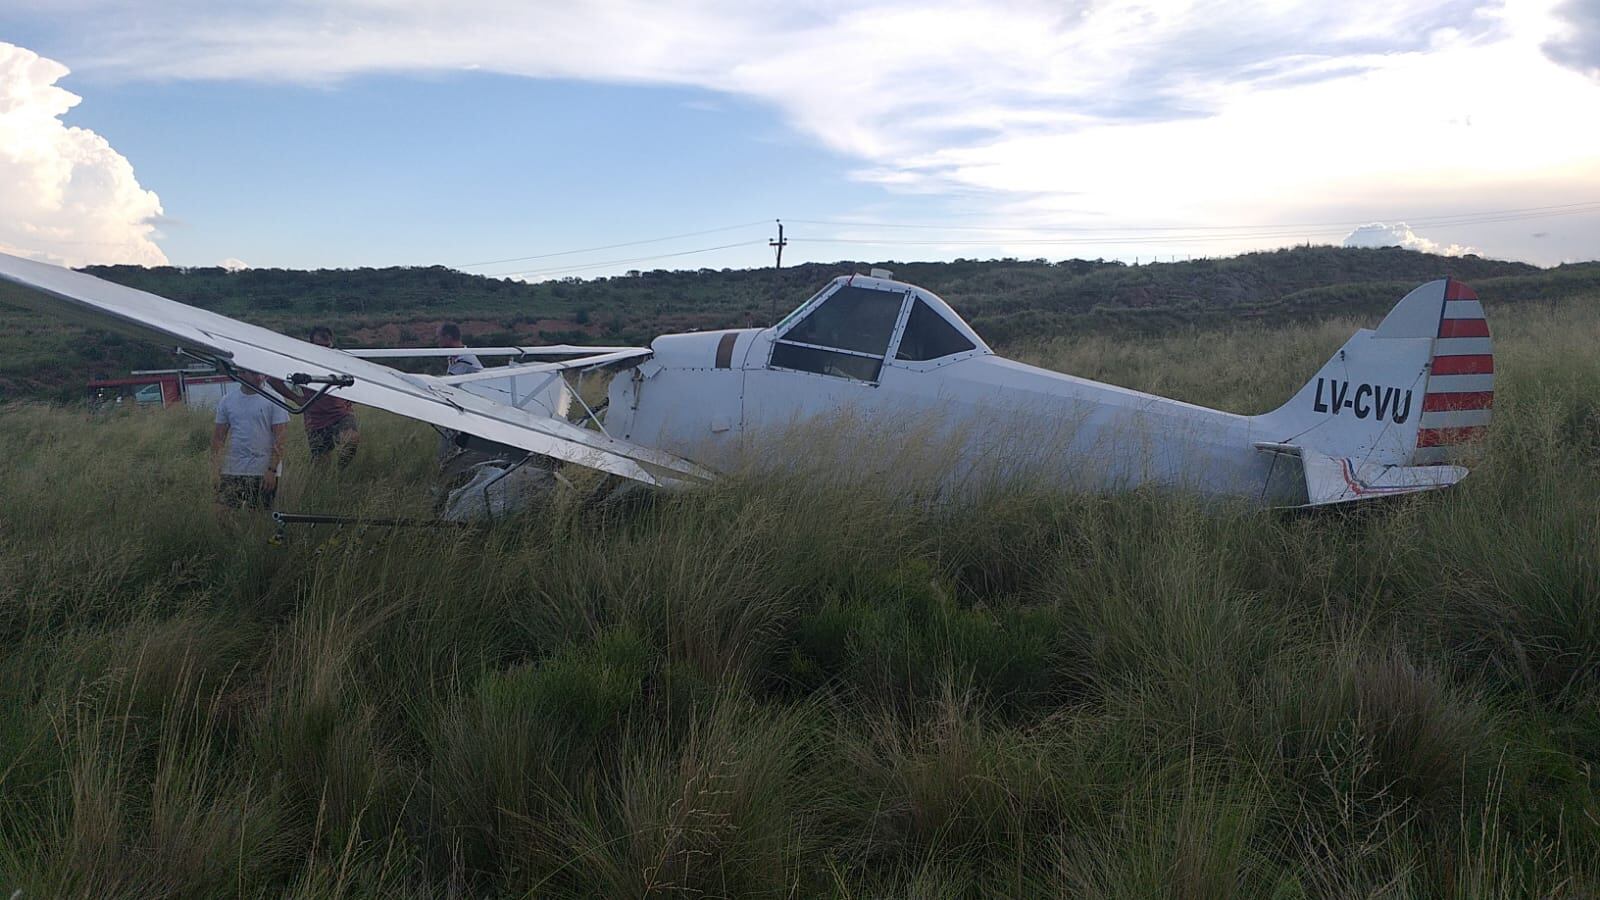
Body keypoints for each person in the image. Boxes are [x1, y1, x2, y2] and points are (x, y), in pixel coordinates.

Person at [267, 326, 360, 467]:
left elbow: (357, 379)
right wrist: (297, 399)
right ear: (311, 345)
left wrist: (353, 397)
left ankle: (341, 471)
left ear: (331, 343)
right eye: (319, 346)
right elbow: (273, 379)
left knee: (351, 439)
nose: (323, 350)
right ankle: (327, 480)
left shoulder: (341, 359)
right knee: (321, 463)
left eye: (326, 346)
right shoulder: (300, 361)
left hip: (340, 413)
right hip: (315, 419)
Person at [211, 371, 289, 513]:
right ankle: (234, 535)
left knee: (258, 516)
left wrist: (272, 470)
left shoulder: (275, 399)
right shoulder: (227, 401)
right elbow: (218, 438)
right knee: (222, 513)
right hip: (232, 469)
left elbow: (280, 439)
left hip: (262, 470)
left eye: (261, 374)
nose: (259, 377)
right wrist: (216, 468)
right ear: (240, 373)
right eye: (253, 374)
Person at [436, 322, 483, 464]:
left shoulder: (463, 359)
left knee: (450, 441)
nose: (438, 341)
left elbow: (449, 385)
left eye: (440, 337)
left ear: (448, 337)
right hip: (464, 404)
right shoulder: (457, 356)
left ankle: (445, 468)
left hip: (470, 408)